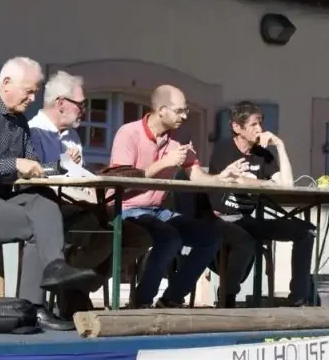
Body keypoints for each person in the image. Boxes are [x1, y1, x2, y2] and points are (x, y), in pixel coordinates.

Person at [0, 56, 97, 331]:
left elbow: (32, 167)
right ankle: (33, 308)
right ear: (6, 84)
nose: (34, 97)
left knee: (45, 203)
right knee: (39, 224)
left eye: (36, 91)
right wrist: (13, 164)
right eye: (29, 90)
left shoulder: (21, 123)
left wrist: (59, 166)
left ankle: (52, 273)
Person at [108, 85, 246, 308]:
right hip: (126, 209)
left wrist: (223, 177)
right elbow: (122, 181)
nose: (185, 116)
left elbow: (197, 177)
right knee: (170, 237)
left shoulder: (181, 136)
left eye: (186, 110)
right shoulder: (128, 133)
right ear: (161, 110)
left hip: (158, 211)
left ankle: (171, 298)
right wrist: (164, 162)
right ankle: (141, 301)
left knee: (210, 238)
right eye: (180, 111)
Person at [27, 71, 152, 317]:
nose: (84, 110)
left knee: (139, 237)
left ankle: (78, 287)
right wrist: (61, 166)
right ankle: (72, 292)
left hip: (81, 208)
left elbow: (77, 176)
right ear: (61, 103)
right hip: (51, 211)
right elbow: (34, 178)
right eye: (81, 104)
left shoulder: (72, 136)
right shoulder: (33, 132)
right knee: (101, 233)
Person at [207, 100, 315, 307]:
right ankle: (228, 296)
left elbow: (287, 185)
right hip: (222, 218)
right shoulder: (224, 147)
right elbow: (236, 181)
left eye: (260, 124)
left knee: (305, 232)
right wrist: (264, 183)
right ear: (236, 127)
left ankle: (298, 297)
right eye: (253, 124)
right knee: (245, 241)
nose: (260, 129)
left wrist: (280, 146)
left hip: (248, 219)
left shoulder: (263, 154)